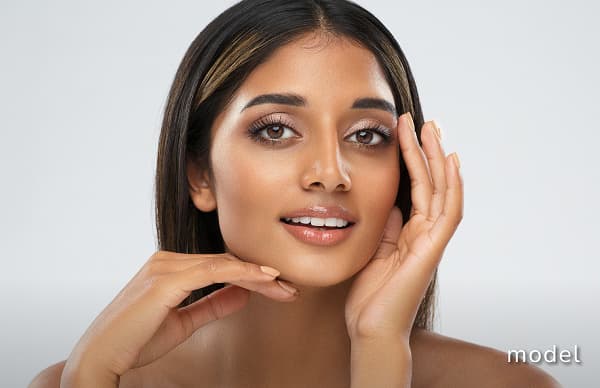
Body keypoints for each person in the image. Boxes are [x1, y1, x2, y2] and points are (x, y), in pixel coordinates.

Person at [30, 0, 561, 387]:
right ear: (200, 175)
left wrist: (380, 353)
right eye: (276, 130)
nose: (330, 173)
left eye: (366, 135)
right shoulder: (84, 379)